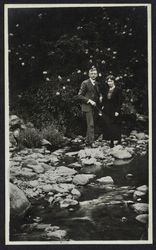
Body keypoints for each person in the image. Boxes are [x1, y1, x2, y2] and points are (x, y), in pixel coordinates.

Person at [78, 66, 100, 147]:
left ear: (97, 74)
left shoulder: (97, 83)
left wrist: (100, 97)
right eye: (92, 73)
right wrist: (89, 101)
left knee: (91, 124)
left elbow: (96, 94)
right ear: (89, 74)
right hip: (87, 106)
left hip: (94, 107)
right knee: (91, 124)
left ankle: (88, 140)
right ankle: (91, 142)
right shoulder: (85, 83)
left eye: (95, 74)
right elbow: (79, 96)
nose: (93, 75)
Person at [100, 74, 122, 148]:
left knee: (115, 124)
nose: (109, 83)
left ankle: (119, 140)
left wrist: (117, 111)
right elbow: (104, 99)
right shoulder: (106, 90)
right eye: (108, 81)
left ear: (114, 81)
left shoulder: (118, 89)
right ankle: (111, 141)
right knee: (108, 124)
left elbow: (120, 101)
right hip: (107, 109)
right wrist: (102, 107)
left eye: (111, 81)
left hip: (114, 109)